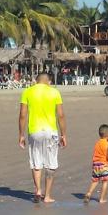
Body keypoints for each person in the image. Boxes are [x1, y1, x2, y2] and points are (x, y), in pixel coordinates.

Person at [18, 72, 67, 203]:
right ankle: (47, 196)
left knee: (36, 162)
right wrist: (64, 134)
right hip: (51, 131)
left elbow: (23, 115)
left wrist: (21, 135)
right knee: (51, 164)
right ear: (49, 81)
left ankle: (38, 190)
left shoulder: (27, 92)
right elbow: (60, 115)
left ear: (35, 80)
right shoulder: (55, 92)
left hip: (34, 131)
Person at [84, 124, 108, 203]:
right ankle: (102, 199)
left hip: (96, 165)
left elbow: (95, 154)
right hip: (104, 165)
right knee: (105, 182)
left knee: (95, 181)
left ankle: (89, 193)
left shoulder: (97, 143)